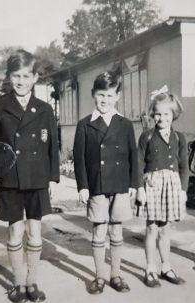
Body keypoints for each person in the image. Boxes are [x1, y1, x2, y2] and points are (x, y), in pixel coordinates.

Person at [0, 49, 60, 302]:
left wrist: (52, 178)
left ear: (35, 77)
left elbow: (53, 147)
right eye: (16, 75)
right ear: (9, 77)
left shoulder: (45, 108)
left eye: (26, 75)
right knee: (15, 232)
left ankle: (32, 283)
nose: (21, 81)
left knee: (35, 232)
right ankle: (18, 284)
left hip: (37, 178)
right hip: (11, 179)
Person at [73, 71, 138, 294]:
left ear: (117, 96)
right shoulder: (84, 125)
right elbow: (79, 157)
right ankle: (100, 276)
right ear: (93, 95)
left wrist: (134, 184)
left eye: (110, 96)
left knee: (117, 232)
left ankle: (116, 275)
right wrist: (82, 185)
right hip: (96, 185)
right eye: (101, 95)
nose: (105, 100)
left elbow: (133, 156)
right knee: (99, 230)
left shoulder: (125, 124)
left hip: (119, 185)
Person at [136, 85, 188, 288]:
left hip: (172, 187)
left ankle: (166, 267)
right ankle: (150, 268)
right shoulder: (147, 136)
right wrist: (140, 188)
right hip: (152, 186)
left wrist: (183, 191)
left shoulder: (179, 137)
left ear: (173, 114)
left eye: (166, 114)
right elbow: (139, 164)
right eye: (157, 114)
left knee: (165, 229)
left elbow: (184, 167)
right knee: (151, 228)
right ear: (152, 115)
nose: (161, 118)